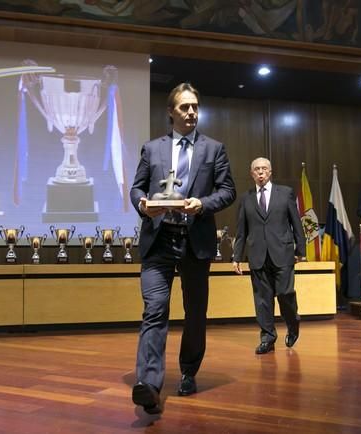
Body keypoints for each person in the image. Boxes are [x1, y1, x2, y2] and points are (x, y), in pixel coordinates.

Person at [129, 82, 236, 414]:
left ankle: (189, 372)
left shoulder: (214, 149)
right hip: (159, 240)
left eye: (195, 107)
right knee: (154, 310)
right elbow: (136, 189)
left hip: (195, 242)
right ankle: (148, 384)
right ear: (170, 112)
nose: (191, 112)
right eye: (184, 107)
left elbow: (228, 190)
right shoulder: (152, 149)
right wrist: (143, 204)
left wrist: (201, 204)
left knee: (194, 314)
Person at [232, 157, 306, 354]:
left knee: (285, 294)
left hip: (282, 253)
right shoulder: (246, 198)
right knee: (262, 300)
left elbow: (296, 223)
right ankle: (267, 338)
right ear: (252, 174)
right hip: (257, 255)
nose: (261, 172)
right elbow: (241, 230)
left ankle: (293, 324)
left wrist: (301, 250)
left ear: (270, 172)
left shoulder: (285, 193)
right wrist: (237, 257)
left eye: (264, 169)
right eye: (257, 169)